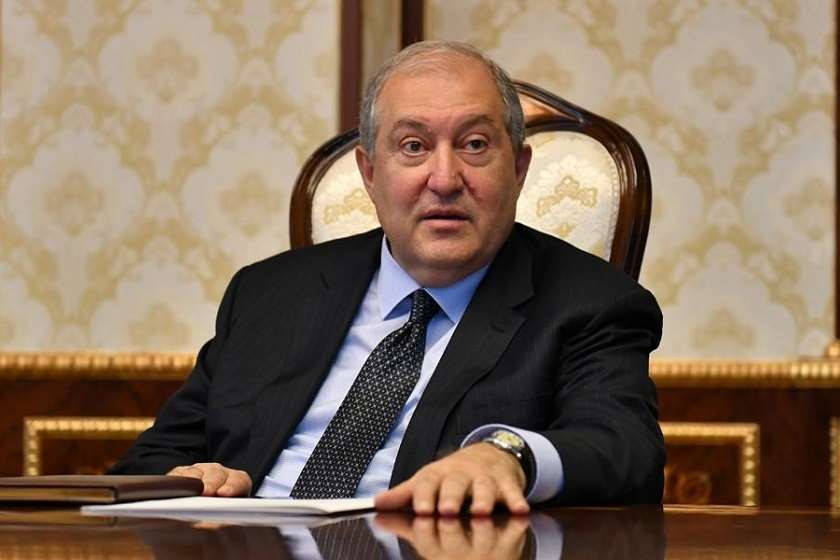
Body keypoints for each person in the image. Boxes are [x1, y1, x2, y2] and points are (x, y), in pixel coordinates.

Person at [110, 40, 664, 514]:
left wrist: (508, 455)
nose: (444, 179)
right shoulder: (268, 294)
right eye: (413, 147)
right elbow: (150, 461)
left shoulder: (592, 304)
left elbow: (625, 450)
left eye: (474, 145)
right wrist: (192, 478)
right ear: (370, 173)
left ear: (518, 170)